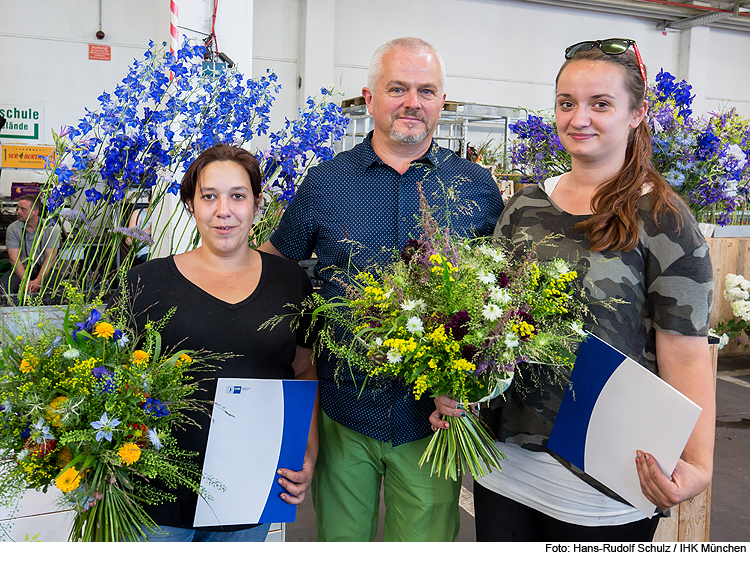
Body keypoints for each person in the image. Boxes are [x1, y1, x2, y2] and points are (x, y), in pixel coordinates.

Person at [431, 38, 715, 541]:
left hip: (606, 483)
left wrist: (698, 462)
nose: (578, 117)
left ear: (636, 114)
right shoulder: (523, 207)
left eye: (600, 104)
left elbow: (687, 356)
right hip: (506, 469)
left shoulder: (664, 220)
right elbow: (487, 319)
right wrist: (459, 388)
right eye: (567, 103)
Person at [260, 37, 504, 541]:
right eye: (398, 88)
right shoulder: (326, 183)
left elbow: (499, 295)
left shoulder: (477, 188)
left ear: (441, 103)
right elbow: (274, 263)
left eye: (427, 91)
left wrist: (479, 382)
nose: (413, 102)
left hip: (433, 420)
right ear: (370, 99)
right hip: (344, 411)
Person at [124, 144, 319, 542]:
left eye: (238, 196)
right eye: (209, 196)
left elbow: (303, 369)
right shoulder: (147, 281)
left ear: (257, 203)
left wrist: (308, 451)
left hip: (250, 491)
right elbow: (111, 376)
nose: (223, 210)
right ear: (191, 205)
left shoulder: (290, 282)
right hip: (155, 496)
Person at [1, 194, 60, 297]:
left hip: (44, 271)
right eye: (18, 208)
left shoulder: (51, 228)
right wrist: (26, 281)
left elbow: (50, 258)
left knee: (57, 285)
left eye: (23, 209)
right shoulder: (13, 229)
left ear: (35, 212)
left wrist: (38, 280)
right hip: (21, 271)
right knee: (4, 285)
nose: (18, 212)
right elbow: (14, 258)